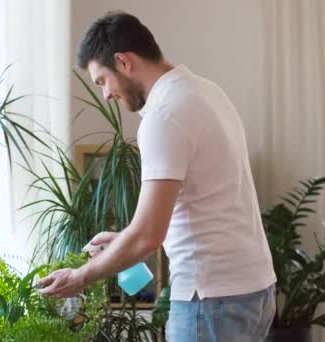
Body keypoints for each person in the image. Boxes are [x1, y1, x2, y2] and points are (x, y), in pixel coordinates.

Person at [36, 11, 277, 341]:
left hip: (210, 300)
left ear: (123, 62)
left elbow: (148, 235)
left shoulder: (165, 114)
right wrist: (124, 238)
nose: (106, 95)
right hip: (254, 290)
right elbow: (200, 203)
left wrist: (80, 276)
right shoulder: (206, 92)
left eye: (102, 81)